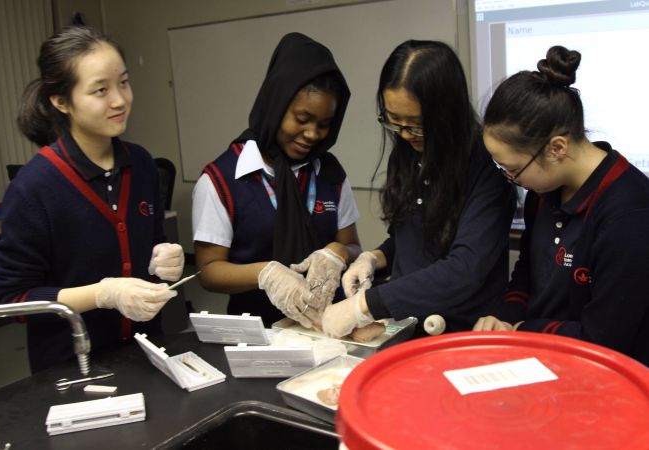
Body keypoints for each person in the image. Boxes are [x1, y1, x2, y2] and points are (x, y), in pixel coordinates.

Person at [0, 26, 185, 373]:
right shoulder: (34, 186)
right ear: (61, 101)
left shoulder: (141, 163)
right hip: (72, 365)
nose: (119, 100)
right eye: (100, 90)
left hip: (146, 350)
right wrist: (103, 295)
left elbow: (149, 242)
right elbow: (15, 301)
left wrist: (162, 257)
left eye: (124, 83)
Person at [321, 40, 515, 338]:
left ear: (446, 113)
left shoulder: (486, 167)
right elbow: (411, 236)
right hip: (409, 324)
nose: (404, 133)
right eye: (394, 120)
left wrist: (364, 305)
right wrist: (374, 257)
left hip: (461, 331)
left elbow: (464, 268)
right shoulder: (411, 149)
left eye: (416, 123)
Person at [472, 46, 649, 366]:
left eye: (514, 170)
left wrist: (524, 330)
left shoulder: (629, 214)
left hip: (602, 372)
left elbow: (605, 338)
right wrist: (504, 317)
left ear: (556, 147)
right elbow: (527, 273)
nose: (512, 179)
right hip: (541, 356)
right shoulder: (545, 190)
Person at [192, 32, 361, 328]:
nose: (312, 134)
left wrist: (339, 252)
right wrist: (265, 274)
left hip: (327, 328)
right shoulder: (223, 179)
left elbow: (353, 246)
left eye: (324, 125)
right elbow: (209, 271)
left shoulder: (329, 173)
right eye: (302, 118)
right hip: (258, 332)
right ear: (276, 104)